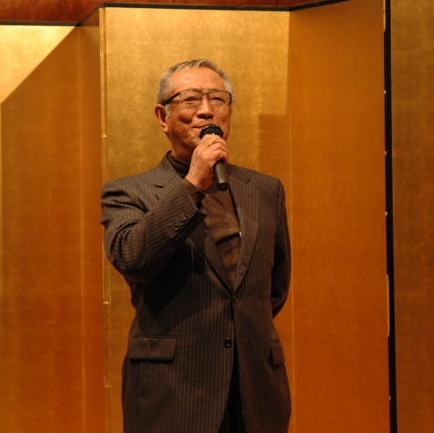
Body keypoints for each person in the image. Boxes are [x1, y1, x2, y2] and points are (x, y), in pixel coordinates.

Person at [100, 59, 291, 433]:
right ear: (163, 117)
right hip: (173, 390)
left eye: (218, 98)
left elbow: (275, 286)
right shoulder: (127, 191)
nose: (206, 110)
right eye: (190, 99)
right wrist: (192, 184)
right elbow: (134, 259)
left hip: (255, 388)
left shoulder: (265, 189)